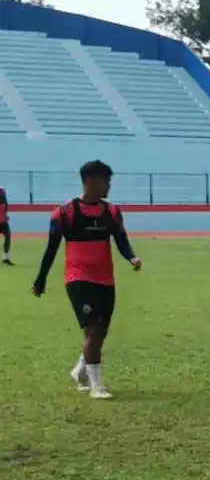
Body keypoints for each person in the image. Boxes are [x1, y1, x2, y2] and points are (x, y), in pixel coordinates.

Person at [31, 160, 142, 400]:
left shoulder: (111, 212)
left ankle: (80, 371)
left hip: (105, 279)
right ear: (90, 181)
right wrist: (41, 280)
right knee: (93, 329)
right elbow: (51, 249)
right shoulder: (64, 213)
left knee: (100, 333)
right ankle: (97, 387)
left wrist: (131, 258)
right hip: (78, 277)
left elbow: (121, 240)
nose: (109, 186)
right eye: (106, 181)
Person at [1, 186, 11, 265]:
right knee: (8, 237)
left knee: (8, 237)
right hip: (3, 222)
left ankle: (5, 257)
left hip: (3, 222)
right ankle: (5, 257)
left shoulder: (5, 203)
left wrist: (5, 216)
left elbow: (5, 210)